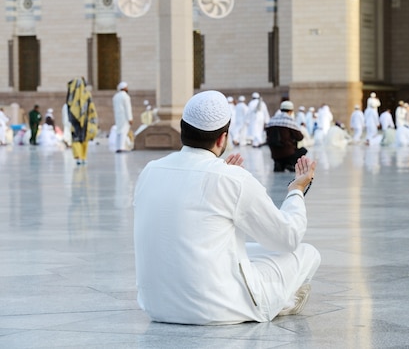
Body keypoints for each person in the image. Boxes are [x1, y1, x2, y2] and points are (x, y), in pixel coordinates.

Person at [133, 90, 320, 325]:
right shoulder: (231, 179)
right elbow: (287, 237)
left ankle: (279, 299)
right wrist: (297, 190)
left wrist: (222, 174)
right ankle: (280, 302)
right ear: (222, 138)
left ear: (183, 130)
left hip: (156, 306)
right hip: (216, 309)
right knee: (306, 252)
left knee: (246, 249)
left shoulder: (150, 170)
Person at [265, 100, 307, 172]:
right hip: (288, 152)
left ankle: (279, 164)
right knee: (303, 150)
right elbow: (300, 137)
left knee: (281, 154)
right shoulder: (290, 121)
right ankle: (290, 164)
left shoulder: (272, 120)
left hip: (274, 153)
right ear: (291, 111)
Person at [66, 77, 98, 164]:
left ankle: (79, 156)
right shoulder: (86, 94)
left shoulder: (71, 95)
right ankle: (83, 157)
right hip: (83, 120)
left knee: (78, 138)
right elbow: (92, 108)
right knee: (83, 138)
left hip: (76, 120)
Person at [112, 81, 133, 152]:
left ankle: (118, 146)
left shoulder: (116, 96)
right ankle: (121, 147)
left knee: (119, 132)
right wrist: (130, 118)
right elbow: (128, 108)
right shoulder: (125, 96)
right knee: (123, 132)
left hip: (118, 116)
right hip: (124, 117)